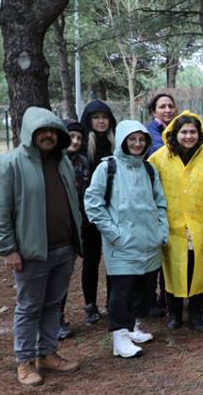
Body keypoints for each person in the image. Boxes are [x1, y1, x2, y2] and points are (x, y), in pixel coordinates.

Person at [0, 107, 85, 385]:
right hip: (31, 252)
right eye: (42, 131)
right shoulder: (7, 165)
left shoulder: (62, 162)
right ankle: (25, 361)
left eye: (53, 131)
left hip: (64, 248)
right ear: (29, 133)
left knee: (53, 305)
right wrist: (7, 249)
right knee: (29, 307)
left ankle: (47, 353)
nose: (49, 136)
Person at [84, 120, 168, 359]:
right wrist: (114, 233)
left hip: (149, 242)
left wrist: (161, 232)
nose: (137, 144)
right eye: (132, 139)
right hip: (121, 244)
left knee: (144, 289)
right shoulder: (107, 168)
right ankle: (119, 337)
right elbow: (93, 203)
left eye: (141, 140)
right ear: (122, 140)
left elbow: (160, 203)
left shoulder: (149, 169)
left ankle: (132, 327)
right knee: (122, 291)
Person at [149, 111, 203, 331]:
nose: (188, 136)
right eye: (184, 132)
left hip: (199, 226)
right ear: (174, 133)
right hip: (170, 226)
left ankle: (196, 315)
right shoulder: (158, 159)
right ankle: (174, 314)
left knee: (198, 270)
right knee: (171, 272)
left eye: (192, 132)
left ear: (200, 133)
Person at [78, 100, 118, 321]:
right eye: (96, 117)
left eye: (104, 117)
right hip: (89, 213)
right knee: (91, 260)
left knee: (114, 259)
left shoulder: (116, 144)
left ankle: (113, 301)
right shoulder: (82, 145)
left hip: (115, 210)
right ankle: (90, 305)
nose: (101, 121)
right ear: (89, 120)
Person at [56, 118, 92, 340]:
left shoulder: (83, 162)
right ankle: (56, 318)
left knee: (68, 271)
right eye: (72, 136)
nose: (76, 141)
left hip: (80, 225)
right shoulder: (51, 162)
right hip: (58, 227)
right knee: (57, 277)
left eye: (80, 137)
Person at [144, 92, 177, 157]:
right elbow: (162, 153)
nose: (168, 110)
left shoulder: (176, 128)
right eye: (162, 107)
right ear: (153, 112)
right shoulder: (149, 131)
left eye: (171, 106)